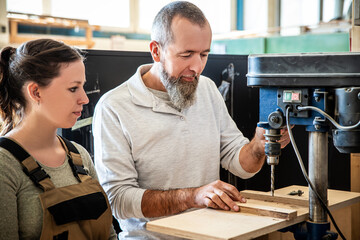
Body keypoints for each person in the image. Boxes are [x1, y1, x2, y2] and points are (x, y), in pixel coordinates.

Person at [92, 1, 291, 239]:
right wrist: (192, 197)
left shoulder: (206, 89)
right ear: (156, 51)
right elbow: (118, 200)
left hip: (210, 234)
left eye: (204, 54)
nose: (196, 67)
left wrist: (258, 147)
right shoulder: (114, 107)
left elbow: (238, 162)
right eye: (186, 55)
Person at [0, 39, 117, 239]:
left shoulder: (79, 156)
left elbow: (109, 235)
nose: (85, 99)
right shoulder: (5, 165)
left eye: (83, 87)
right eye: (73, 88)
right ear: (36, 92)